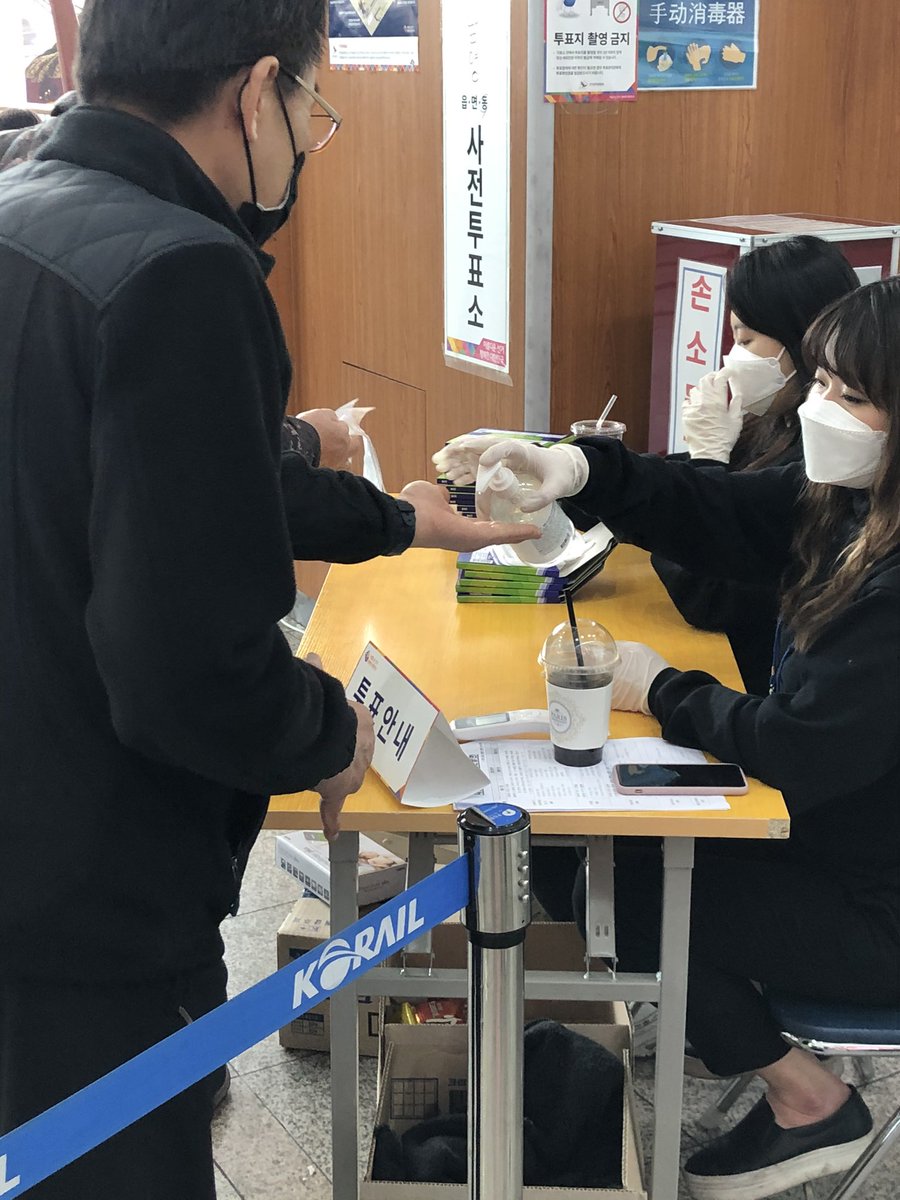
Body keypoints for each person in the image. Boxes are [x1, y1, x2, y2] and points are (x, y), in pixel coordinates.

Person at [0, 3, 536, 1197]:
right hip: (97, 879)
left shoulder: (27, 217)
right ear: (257, 95)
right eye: (315, 110)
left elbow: (154, 494)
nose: (307, 139)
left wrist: (395, 519)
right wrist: (323, 730)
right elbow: (187, 657)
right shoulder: (184, 267)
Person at [434, 277, 900, 1200]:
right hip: (835, 839)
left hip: (876, 900)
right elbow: (720, 509)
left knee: (637, 889)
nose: (819, 409)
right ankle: (745, 1042)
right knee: (586, 868)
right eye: (818, 382)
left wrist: (667, 689)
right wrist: (578, 466)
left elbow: (796, 747)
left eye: (851, 395)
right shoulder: (848, 506)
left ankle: (809, 1101)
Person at [652, 236, 859, 695]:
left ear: (802, 335)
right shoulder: (775, 420)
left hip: (753, 685)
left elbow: (708, 594)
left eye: (746, 339)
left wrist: (707, 458)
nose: (733, 355)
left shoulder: (829, 456)